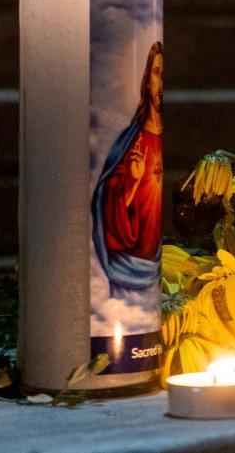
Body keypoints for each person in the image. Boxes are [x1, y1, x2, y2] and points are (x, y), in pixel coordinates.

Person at [91, 42, 163, 295]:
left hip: (152, 259)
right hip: (127, 263)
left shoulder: (158, 134)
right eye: (156, 74)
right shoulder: (132, 140)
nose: (161, 83)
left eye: (163, 75)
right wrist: (132, 182)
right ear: (145, 80)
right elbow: (108, 194)